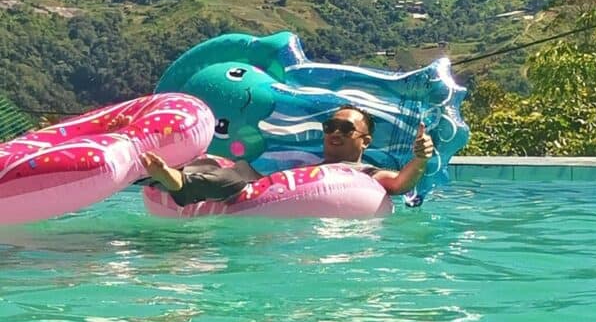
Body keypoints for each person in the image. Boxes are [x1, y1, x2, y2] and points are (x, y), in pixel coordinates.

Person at [140, 105, 434, 206]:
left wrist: (420, 159)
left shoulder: (366, 173)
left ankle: (177, 182)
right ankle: (164, 172)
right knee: (237, 167)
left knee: (240, 183)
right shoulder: (309, 166)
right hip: (270, 185)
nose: (335, 132)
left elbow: (399, 184)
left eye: (345, 128)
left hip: (264, 196)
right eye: (330, 126)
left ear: (365, 141)